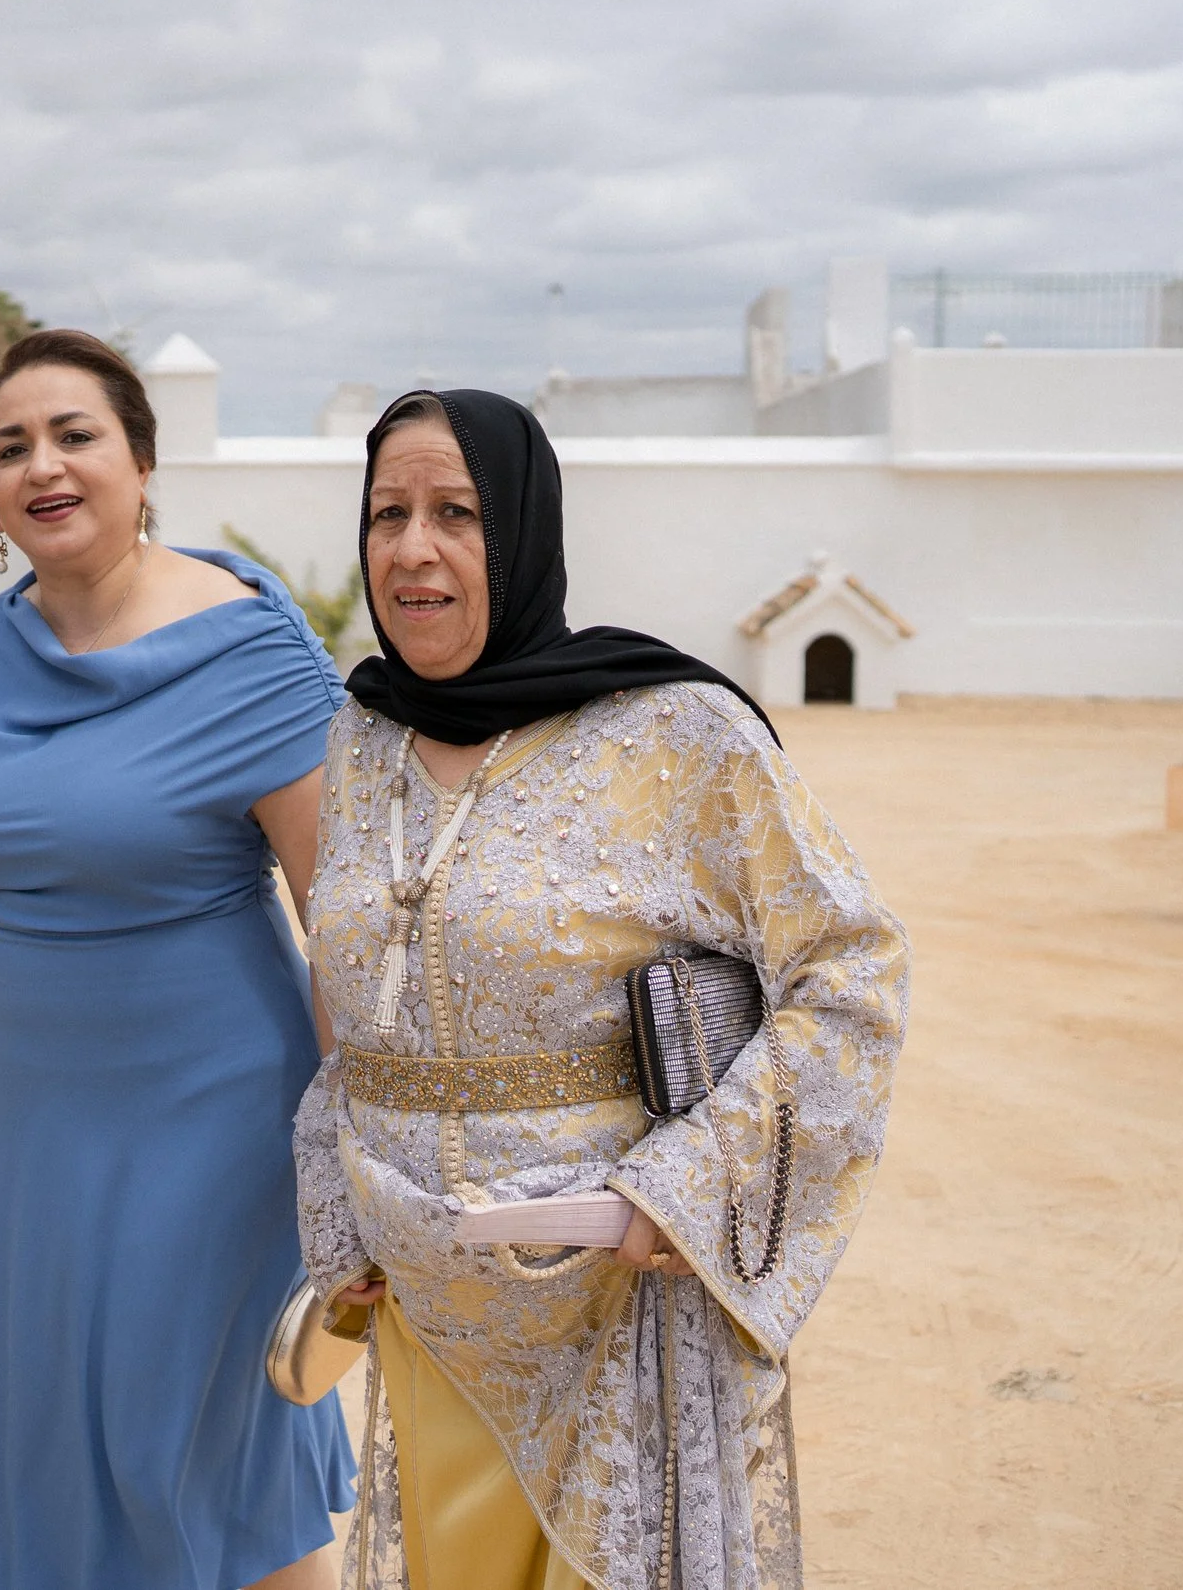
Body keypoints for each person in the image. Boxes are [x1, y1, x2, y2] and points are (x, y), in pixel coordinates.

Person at [292, 389, 908, 1590]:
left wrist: (685, 1187)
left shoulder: (673, 730)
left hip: (615, 1304)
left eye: (456, 512)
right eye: (388, 512)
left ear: (522, 532)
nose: (413, 547)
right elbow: (364, 995)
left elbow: (852, 965)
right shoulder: (360, 737)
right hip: (432, 1305)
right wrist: (340, 1186)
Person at [0, 329, 355, 1589]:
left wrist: (351, 1151)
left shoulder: (254, 649)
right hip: (36, 1117)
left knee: (203, 1439)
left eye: (74, 435)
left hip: (214, 1111)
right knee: (62, 1425)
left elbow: (346, 922)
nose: (42, 464)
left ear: (141, 460)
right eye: (10, 447)